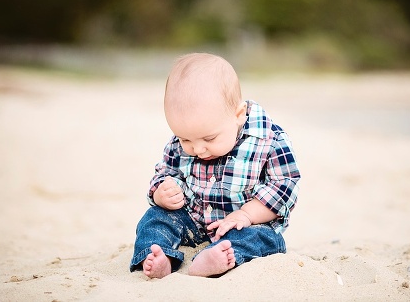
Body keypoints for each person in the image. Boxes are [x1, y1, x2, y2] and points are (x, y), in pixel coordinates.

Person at [129, 53, 301, 278]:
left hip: (244, 226)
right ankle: (160, 257)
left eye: (209, 139)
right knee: (156, 218)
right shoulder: (184, 138)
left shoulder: (269, 140)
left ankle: (216, 259)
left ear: (238, 115)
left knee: (264, 239)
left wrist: (247, 215)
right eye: (186, 140)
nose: (197, 149)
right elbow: (166, 171)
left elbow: (284, 186)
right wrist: (162, 192)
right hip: (192, 220)